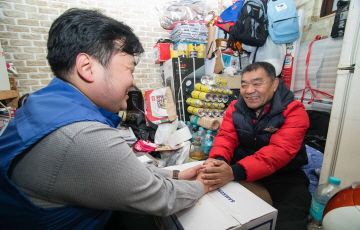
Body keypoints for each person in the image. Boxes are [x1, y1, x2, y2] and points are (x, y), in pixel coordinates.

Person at [0, 8, 215, 230]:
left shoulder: (45, 102)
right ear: (87, 67)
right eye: (129, 70)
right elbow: (161, 198)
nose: (132, 82)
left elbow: (115, 173)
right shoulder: (82, 135)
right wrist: (202, 185)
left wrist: (175, 173)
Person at [202, 62, 312, 230]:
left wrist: (233, 172)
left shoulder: (294, 111)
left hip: (281, 171)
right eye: (244, 85)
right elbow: (226, 137)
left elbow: (278, 152)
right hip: (241, 163)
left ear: (274, 84)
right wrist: (217, 160)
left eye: (257, 83)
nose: (249, 90)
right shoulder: (235, 107)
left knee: (292, 213)